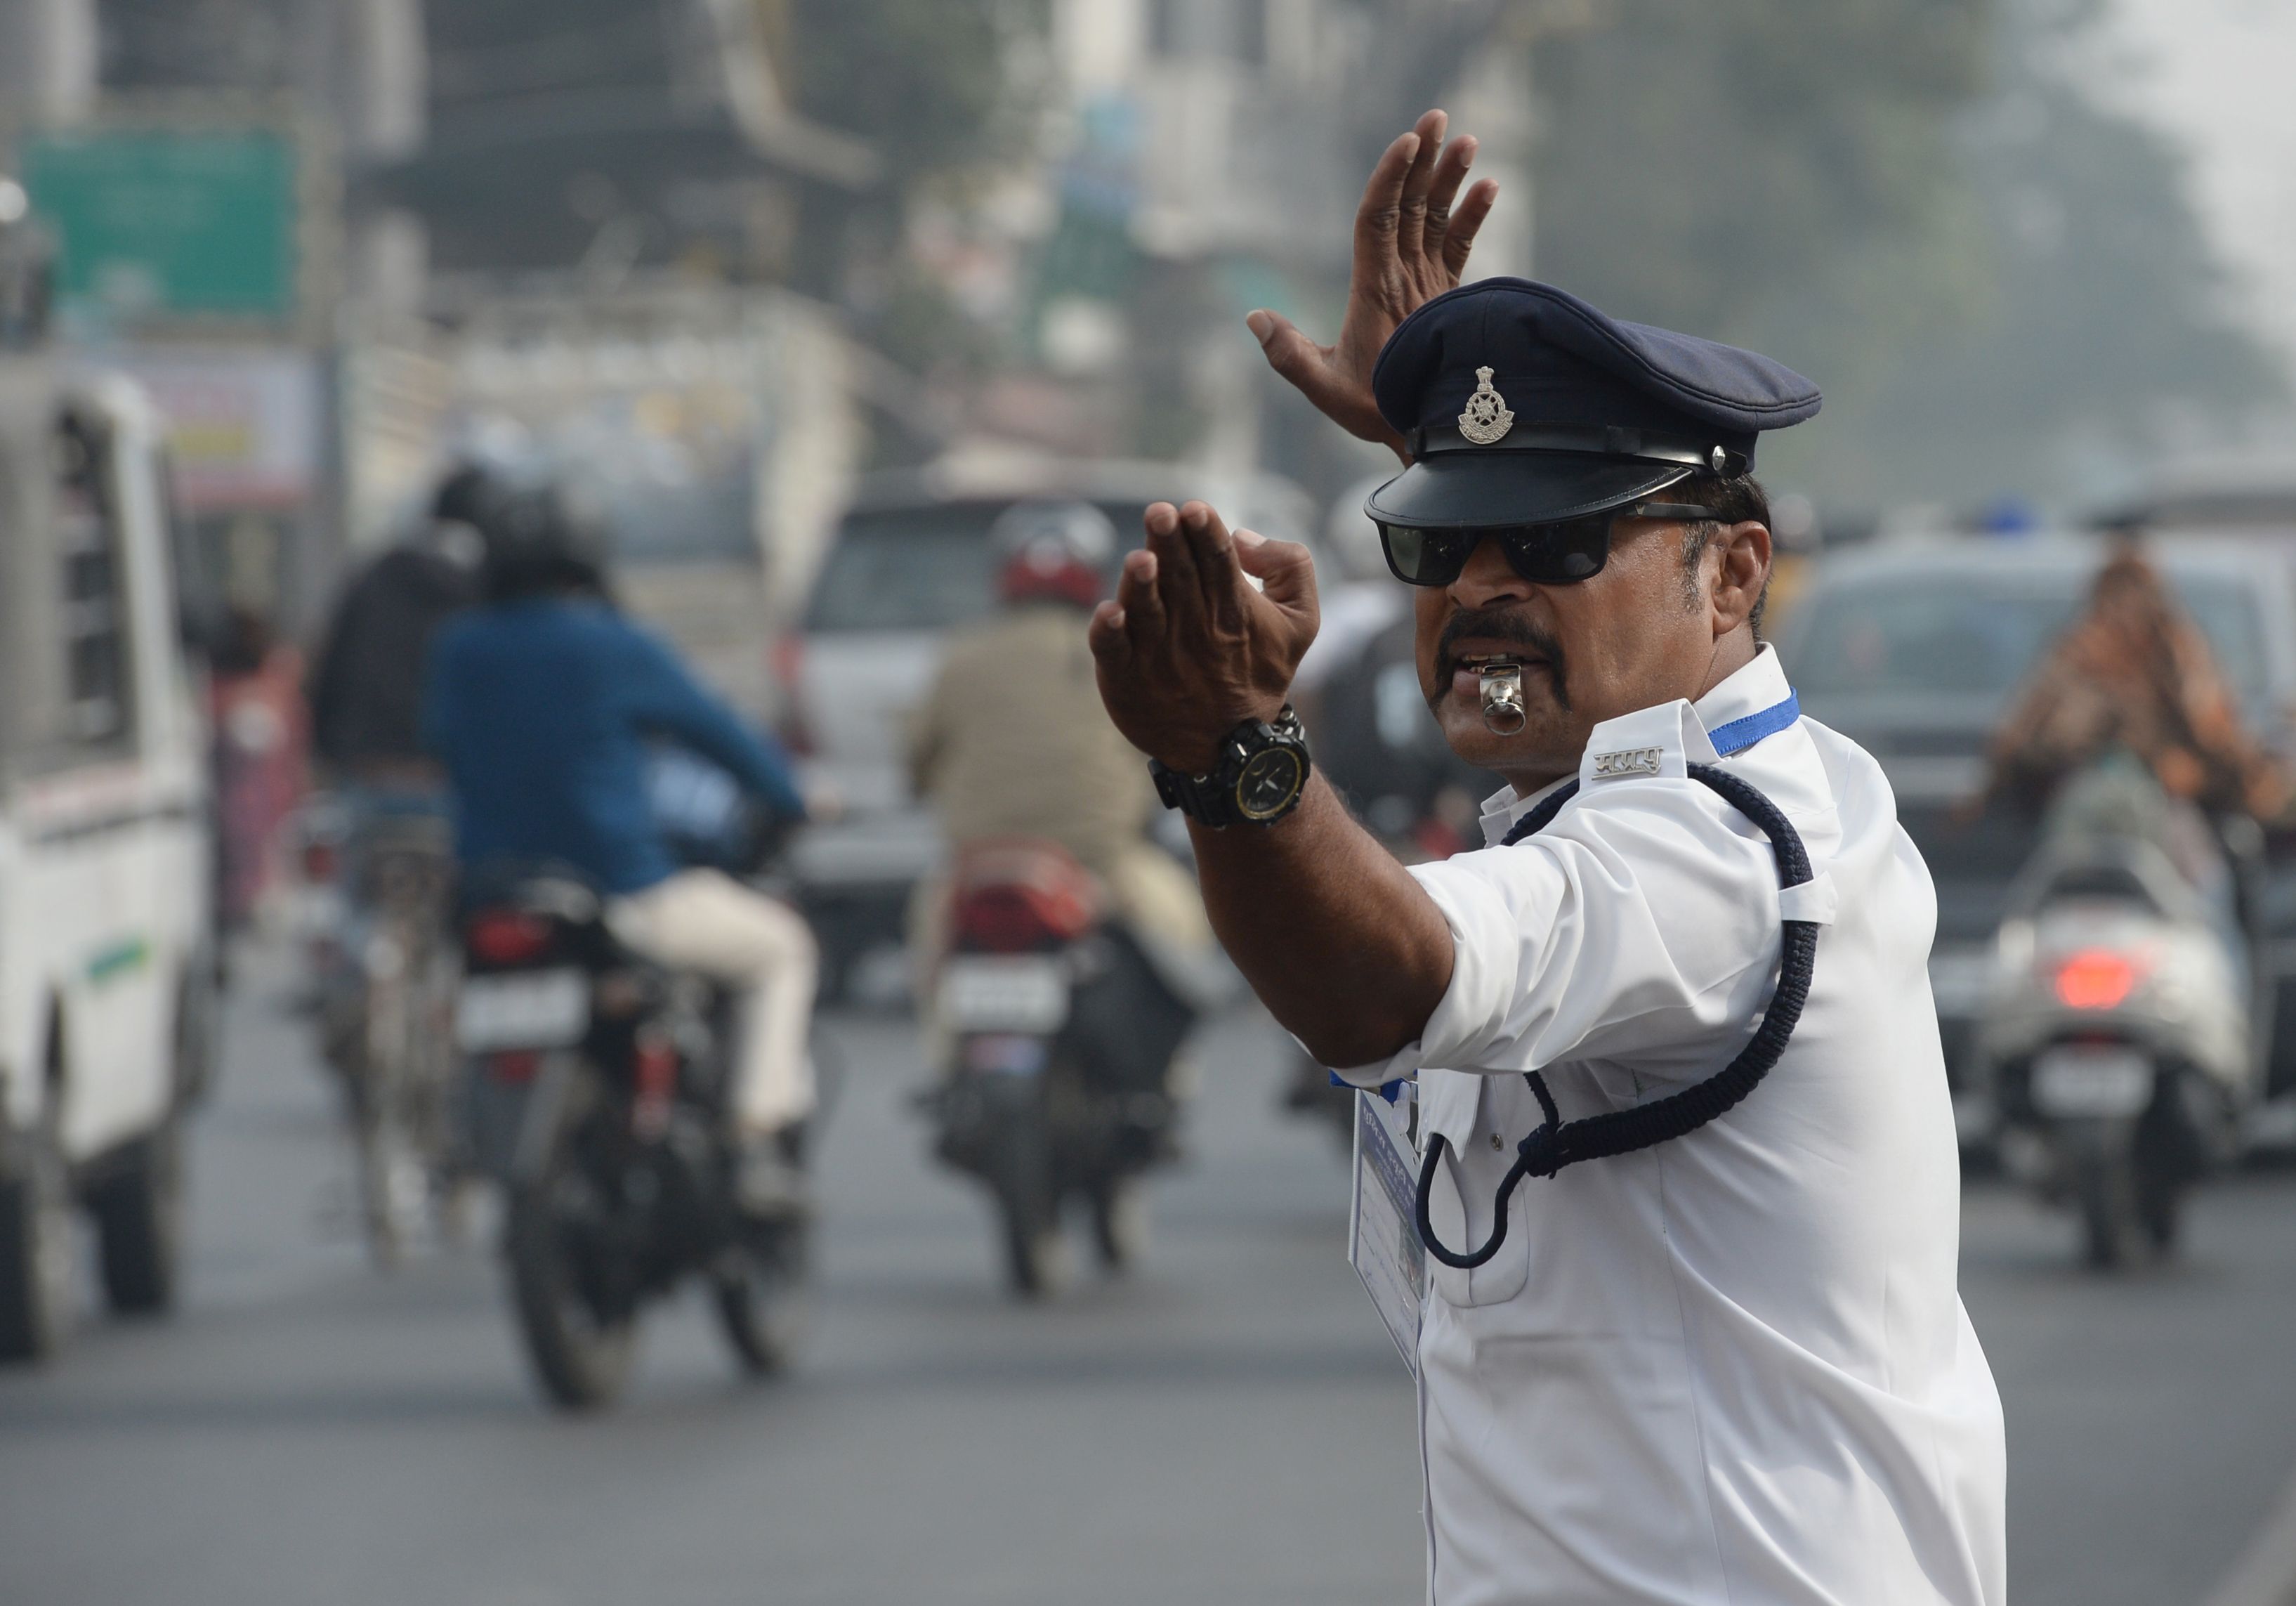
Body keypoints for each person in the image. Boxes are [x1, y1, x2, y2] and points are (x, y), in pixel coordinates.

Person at [1089, 110, 2005, 1604]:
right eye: (1440, 547)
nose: (1480, 593)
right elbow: (1533, 572)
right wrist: (1450, 430)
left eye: (1557, 547)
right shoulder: (1692, 771)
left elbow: (1383, 990)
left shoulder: (1715, 853)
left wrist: (1233, 754)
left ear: (1730, 570)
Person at [424, 488, 818, 1214]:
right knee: (781, 950)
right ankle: (754, 1135)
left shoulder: (459, 648)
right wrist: (789, 800)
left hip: (487, 897)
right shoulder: (612, 644)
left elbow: (437, 742)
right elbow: (721, 735)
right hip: (624, 897)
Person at [907, 502, 1219, 1051]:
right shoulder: (1124, 652)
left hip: (978, 861)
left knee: (929, 953)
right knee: (1185, 941)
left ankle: (944, 1067)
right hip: (1100, 863)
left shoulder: (960, 656)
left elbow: (916, 761)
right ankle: (1170, 1084)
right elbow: (1166, 751)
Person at [1985, 542, 2285, 821]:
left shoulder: (2179, 651)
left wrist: (2192, 768)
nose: (2127, 611)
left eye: (2137, 595)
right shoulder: (2076, 655)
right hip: (2080, 805)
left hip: (2175, 809)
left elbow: (2212, 727)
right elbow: (2032, 735)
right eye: (2118, 596)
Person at [308, 464, 492, 792]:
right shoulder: (494, 592)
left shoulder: (375, 577)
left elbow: (326, 677)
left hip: (367, 775)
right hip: (454, 784)